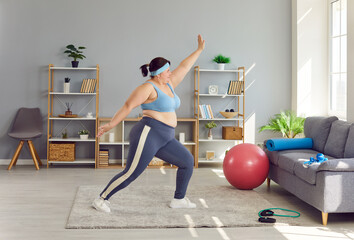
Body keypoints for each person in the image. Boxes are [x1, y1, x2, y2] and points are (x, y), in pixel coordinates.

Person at [92, 35, 205, 213]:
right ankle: (101, 199)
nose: (171, 73)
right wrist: (110, 125)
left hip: (166, 136)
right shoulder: (147, 88)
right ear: (159, 73)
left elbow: (185, 66)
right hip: (149, 133)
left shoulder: (169, 84)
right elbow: (127, 106)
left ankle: (179, 199)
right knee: (132, 173)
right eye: (168, 71)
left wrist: (198, 50)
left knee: (187, 161)